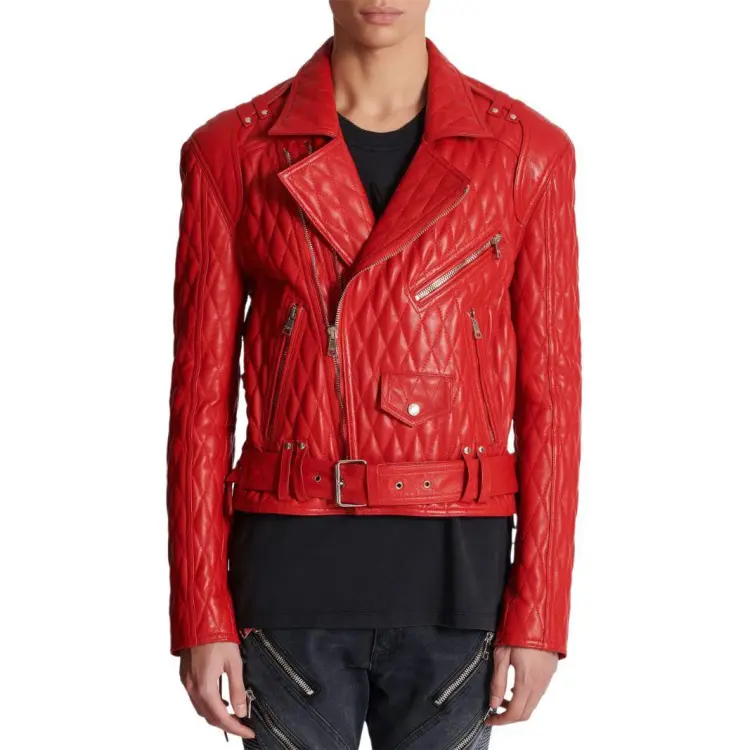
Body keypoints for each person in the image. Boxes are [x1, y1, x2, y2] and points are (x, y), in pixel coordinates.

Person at [166, 1, 582, 747]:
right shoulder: (231, 152)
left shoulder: (527, 153)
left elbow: (553, 399)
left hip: (459, 582)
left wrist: (541, 614)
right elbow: (199, 404)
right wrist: (200, 611)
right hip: (286, 577)